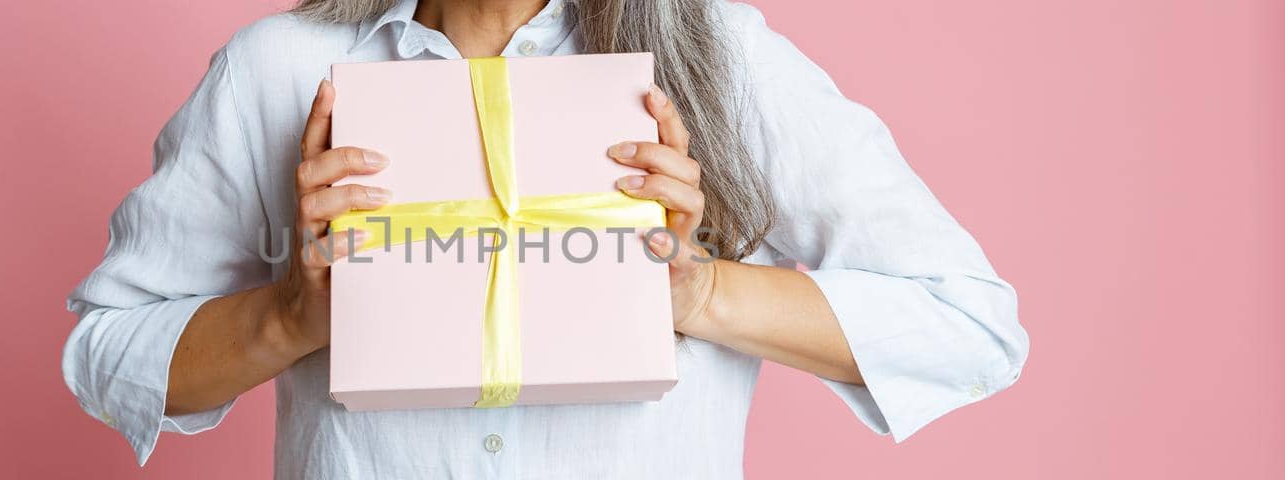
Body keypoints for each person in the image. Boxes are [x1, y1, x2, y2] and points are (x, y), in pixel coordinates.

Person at [62, 0, 1029, 477]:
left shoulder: (716, 57)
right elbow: (106, 353)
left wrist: (695, 295)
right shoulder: (282, 71)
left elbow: (968, 326)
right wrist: (291, 315)